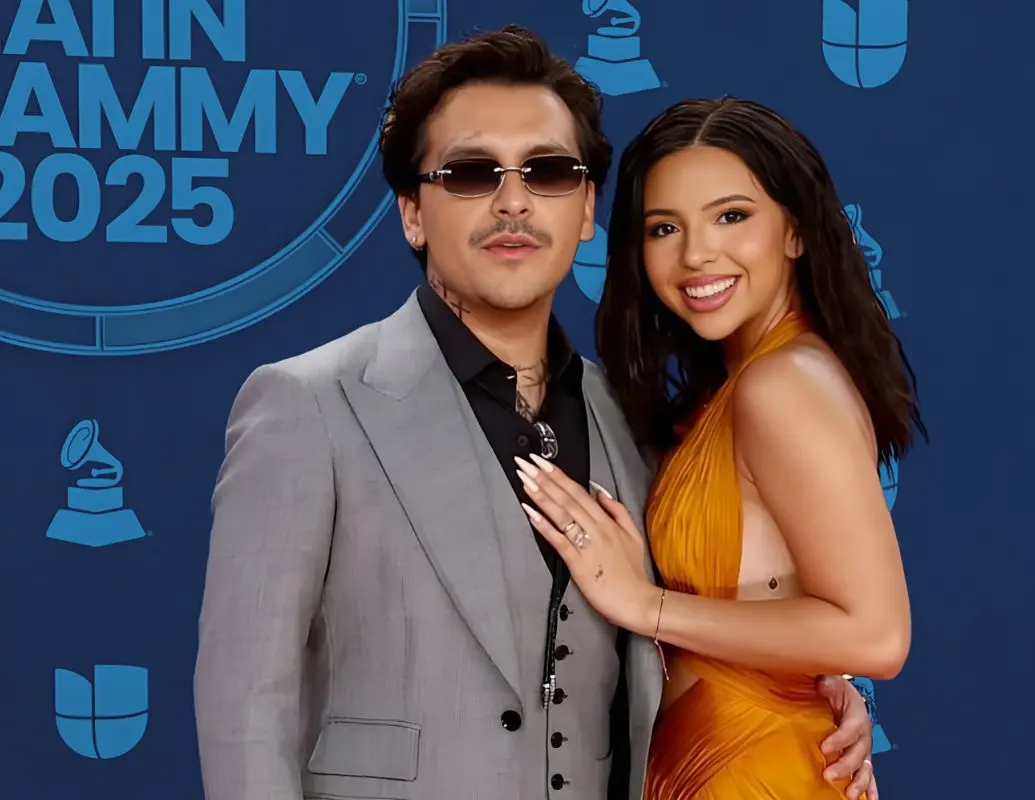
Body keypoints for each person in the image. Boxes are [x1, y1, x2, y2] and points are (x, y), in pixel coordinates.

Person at [193, 27, 879, 800]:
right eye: (471, 172)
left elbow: (700, 620)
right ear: (412, 212)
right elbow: (246, 705)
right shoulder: (305, 405)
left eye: (547, 171)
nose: (513, 200)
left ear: (587, 209)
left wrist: (810, 685)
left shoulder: (635, 417)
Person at [517, 96, 924, 799]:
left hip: (755, 767)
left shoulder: (782, 384)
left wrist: (644, 605)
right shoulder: (742, 385)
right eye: (664, 227)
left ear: (794, 230)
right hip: (720, 753)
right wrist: (817, 674)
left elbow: (876, 634)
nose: (696, 253)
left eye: (732, 216)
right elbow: (794, 602)